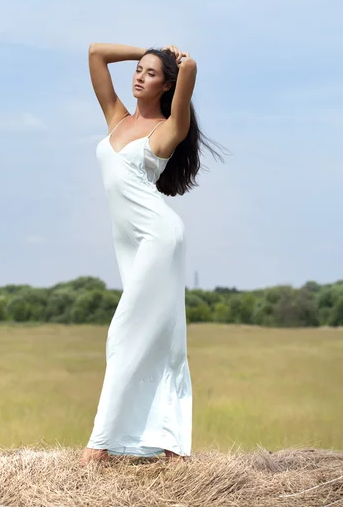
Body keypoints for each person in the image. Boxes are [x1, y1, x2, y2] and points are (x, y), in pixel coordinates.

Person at [80, 43, 224, 466]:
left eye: (150, 73)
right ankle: (172, 445)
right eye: (139, 70)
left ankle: (99, 446)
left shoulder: (167, 129)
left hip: (158, 237)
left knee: (123, 332)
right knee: (162, 339)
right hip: (131, 244)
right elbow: (95, 54)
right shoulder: (116, 118)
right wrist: (146, 47)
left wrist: (183, 62)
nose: (139, 76)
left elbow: (191, 69)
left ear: (166, 85)